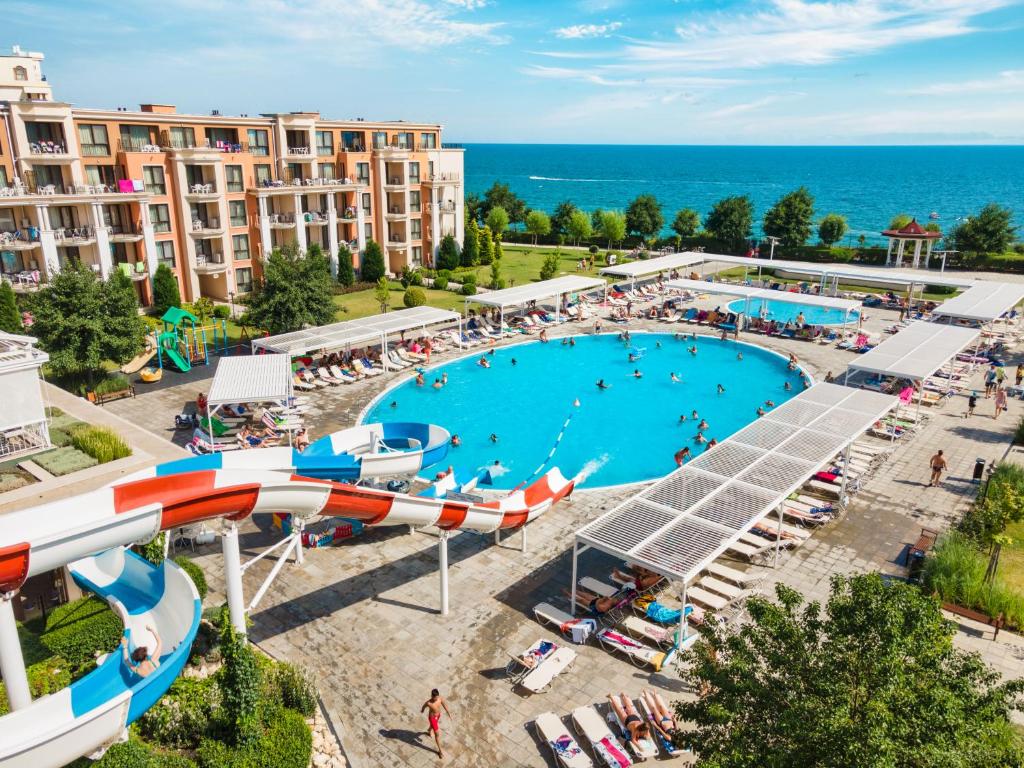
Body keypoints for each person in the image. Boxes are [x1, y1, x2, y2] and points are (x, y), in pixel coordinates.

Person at [421, 689, 453, 758]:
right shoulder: (429, 703)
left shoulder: (440, 698)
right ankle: (440, 751)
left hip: (438, 716)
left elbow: (445, 706)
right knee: (437, 734)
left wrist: (449, 714)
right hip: (432, 719)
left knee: (432, 727)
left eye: (437, 697)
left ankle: (429, 730)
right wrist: (422, 710)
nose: (437, 698)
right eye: (435, 697)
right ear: (432, 696)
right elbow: (424, 706)